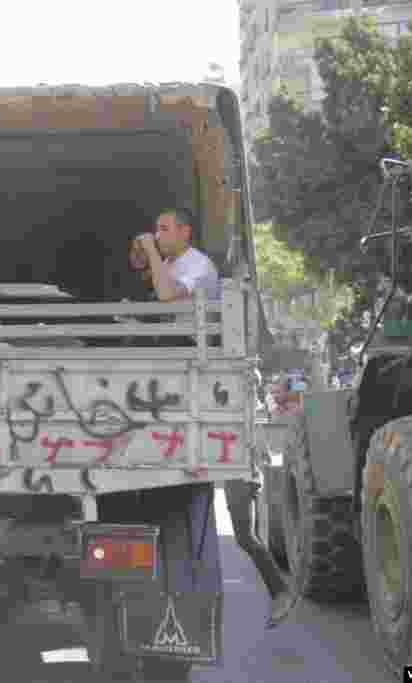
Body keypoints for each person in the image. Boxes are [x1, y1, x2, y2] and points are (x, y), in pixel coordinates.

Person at [132, 208, 297, 628]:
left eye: (164, 229)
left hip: (217, 403)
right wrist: (148, 254)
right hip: (193, 386)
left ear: (186, 231)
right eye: (156, 229)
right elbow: (149, 281)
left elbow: (168, 297)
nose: (157, 234)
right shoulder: (171, 264)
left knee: (243, 531)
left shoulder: (198, 266)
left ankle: (280, 590)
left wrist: (151, 253)